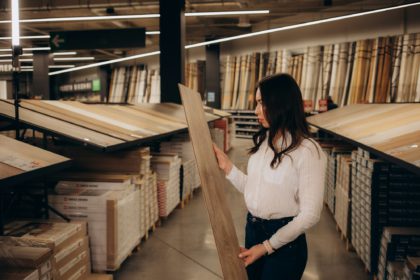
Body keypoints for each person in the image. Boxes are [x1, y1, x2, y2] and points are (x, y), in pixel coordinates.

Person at [213, 73, 326, 280]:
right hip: (253, 230)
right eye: (256, 103)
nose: (256, 111)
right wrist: (227, 167)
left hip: (285, 243)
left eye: (262, 103)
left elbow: (310, 214)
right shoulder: (264, 143)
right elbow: (255, 189)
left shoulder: (308, 151)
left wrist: (266, 247)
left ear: (281, 103)